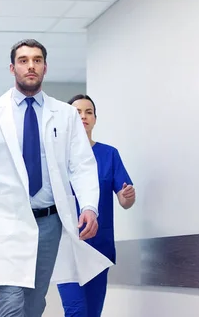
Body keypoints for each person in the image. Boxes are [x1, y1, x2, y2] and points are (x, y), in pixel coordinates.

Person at [0, 39, 113, 317]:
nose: (31, 65)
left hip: (51, 222)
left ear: (45, 67)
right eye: (24, 60)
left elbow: (82, 165)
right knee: (12, 299)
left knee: (34, 302)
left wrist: (89, 206)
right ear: (12, 67)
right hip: (8, 219)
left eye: (37, 60)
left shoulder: (65, 115)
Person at [57, 94, 136, 317]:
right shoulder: (57, 157)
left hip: (99, 246)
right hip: (68, 245)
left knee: (92, 312)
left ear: (95, 119)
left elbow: (124, 200)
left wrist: (128, 196)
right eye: (77, 112)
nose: (83, 116)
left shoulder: (109, 154)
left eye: (88, 112)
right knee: (76, 311)